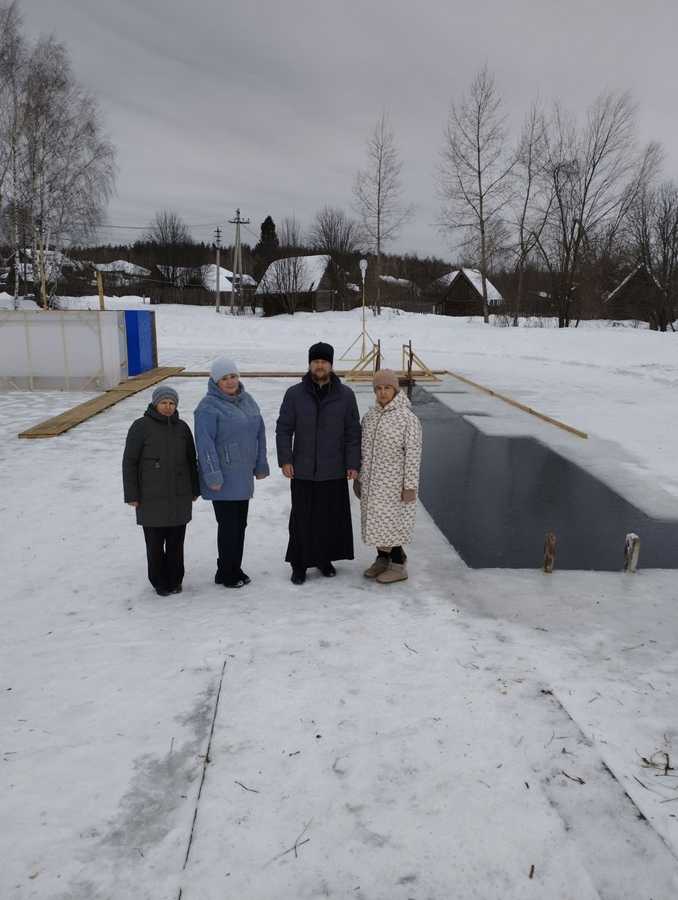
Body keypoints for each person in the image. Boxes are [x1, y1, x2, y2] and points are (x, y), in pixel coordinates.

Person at [276, 341, 361, 584]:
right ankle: (299, 563)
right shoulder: (294, 394)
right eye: (316, 361)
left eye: (324, 361)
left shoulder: (345, 396)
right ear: (310, 364)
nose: (320, 365)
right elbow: (284, 429)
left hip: (333, 470)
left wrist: (352, 463)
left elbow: (352, 432)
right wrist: (285, 459)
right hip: (302, 469)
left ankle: (324, 559)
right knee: (301, 519)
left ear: (331, 365)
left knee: (328, 519)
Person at [194, 357, 269, 588]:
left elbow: (260, 433)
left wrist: (261, 464)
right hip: (222, 478)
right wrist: (213, 475)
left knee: (240, 525)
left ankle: (232, 567)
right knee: (228, 526)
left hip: (243, 476)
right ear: (215, 381)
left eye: (233, 376)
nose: (230, 381)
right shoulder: (207, 407)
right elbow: (204, 445)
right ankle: (227, 572)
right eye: (224, 378)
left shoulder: (248, 401)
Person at [122, 385, 199, 596]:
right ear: (155, 403)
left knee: (176, 543)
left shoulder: (182, 428)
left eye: (172, 403)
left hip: (179, 496)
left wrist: (194, 488)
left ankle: (175, 579)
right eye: (164, 402)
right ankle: (159, 581)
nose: (168, 407)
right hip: (150, 498)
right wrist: (132, 495)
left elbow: (192, 461)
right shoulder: (140, 427)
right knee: (155, 544)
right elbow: (130, 462)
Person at [356, 369, 422, 584]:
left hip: (394, 484)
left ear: (396, 389)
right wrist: (359, 478)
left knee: (390, 525)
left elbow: (413, 455)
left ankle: (398, 563)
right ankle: (382, 559)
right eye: (379, 388)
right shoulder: (370, 416)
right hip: (371, 482)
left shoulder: (407, 419)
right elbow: (362, 451)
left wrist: (409, 486)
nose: (383, 393)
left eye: (387, 388)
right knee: (375, 523)